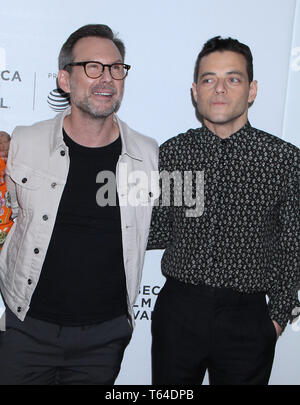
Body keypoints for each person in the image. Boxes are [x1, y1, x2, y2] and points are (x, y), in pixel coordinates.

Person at [0, 24, 158, 385]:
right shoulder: (25, 142)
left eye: (116, 68)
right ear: (64, 80)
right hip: (26, 327)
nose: (106, 78)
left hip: (103, 339)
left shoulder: (146, 155)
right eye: (92, 67)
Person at [147, 36, 300, 385]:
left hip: (248, 318)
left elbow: (292, 245)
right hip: (179, 311)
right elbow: (156, 229)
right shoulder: (174, 154)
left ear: (252, 90)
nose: (219, 90)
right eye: (208, 79)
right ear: (194, 91)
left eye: (233, 79)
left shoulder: (284, 160)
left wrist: (276, 317)